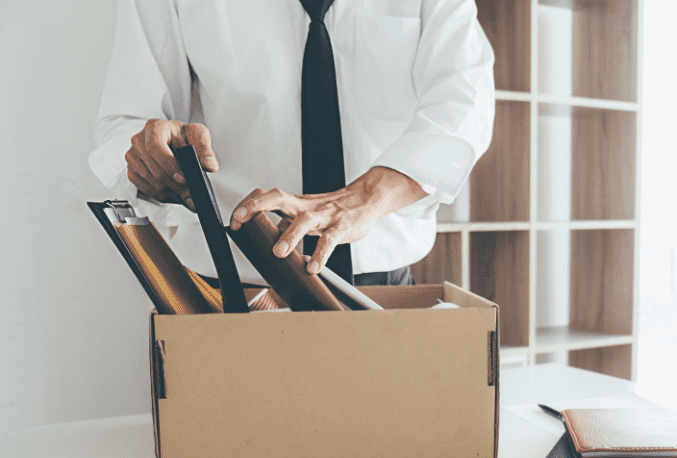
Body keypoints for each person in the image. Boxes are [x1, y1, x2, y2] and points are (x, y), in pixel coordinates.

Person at [90, 0, 495, 286]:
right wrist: (155, 157)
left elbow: (465, 100)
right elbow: (126, 123)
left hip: (383, 290)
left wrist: (362, 198)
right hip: (231, 292)